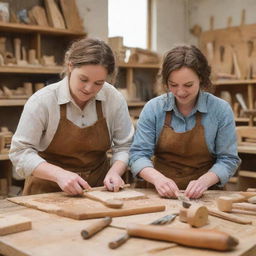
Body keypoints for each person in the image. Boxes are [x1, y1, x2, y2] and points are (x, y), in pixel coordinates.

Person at [9, 38, 134, 195]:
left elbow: (124, 146)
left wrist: (115, 172)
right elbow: (20, 152)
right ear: (70, 66)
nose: (89, 88)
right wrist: (59, 175)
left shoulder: (113, 98)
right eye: (83, 79)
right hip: (47, 190)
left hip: (97, 189)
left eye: (98, 83)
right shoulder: (43, 100)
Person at [129, 45, 240, 199]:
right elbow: (138, 155)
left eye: (188, 85)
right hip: (159, 193)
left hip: (206, 193)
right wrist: (158, 179)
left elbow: (228, 159)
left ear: (201, 79)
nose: (180, 92)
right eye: (173, 85)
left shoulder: (220, 110)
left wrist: (204, 181)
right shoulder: (153, 108)